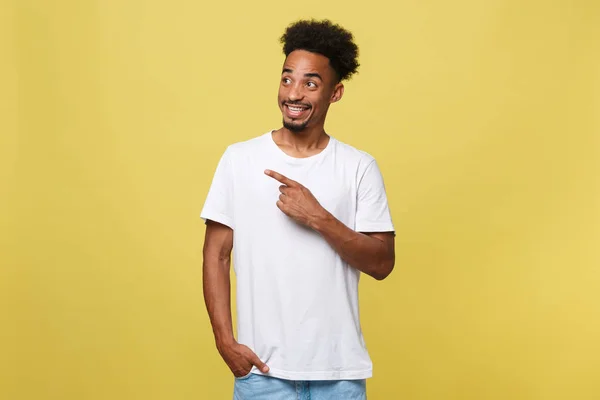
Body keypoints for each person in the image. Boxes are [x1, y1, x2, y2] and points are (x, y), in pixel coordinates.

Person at [201, 19, 395, 400]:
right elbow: (216, 254)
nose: (294, 93)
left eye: (310, 83)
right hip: (262, 374)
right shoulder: (239, 159)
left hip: (339, 376)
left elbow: (382, 263)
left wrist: (317, 217)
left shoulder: (358, 167)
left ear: (335, 93)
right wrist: (225, 342)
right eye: (287, 78)